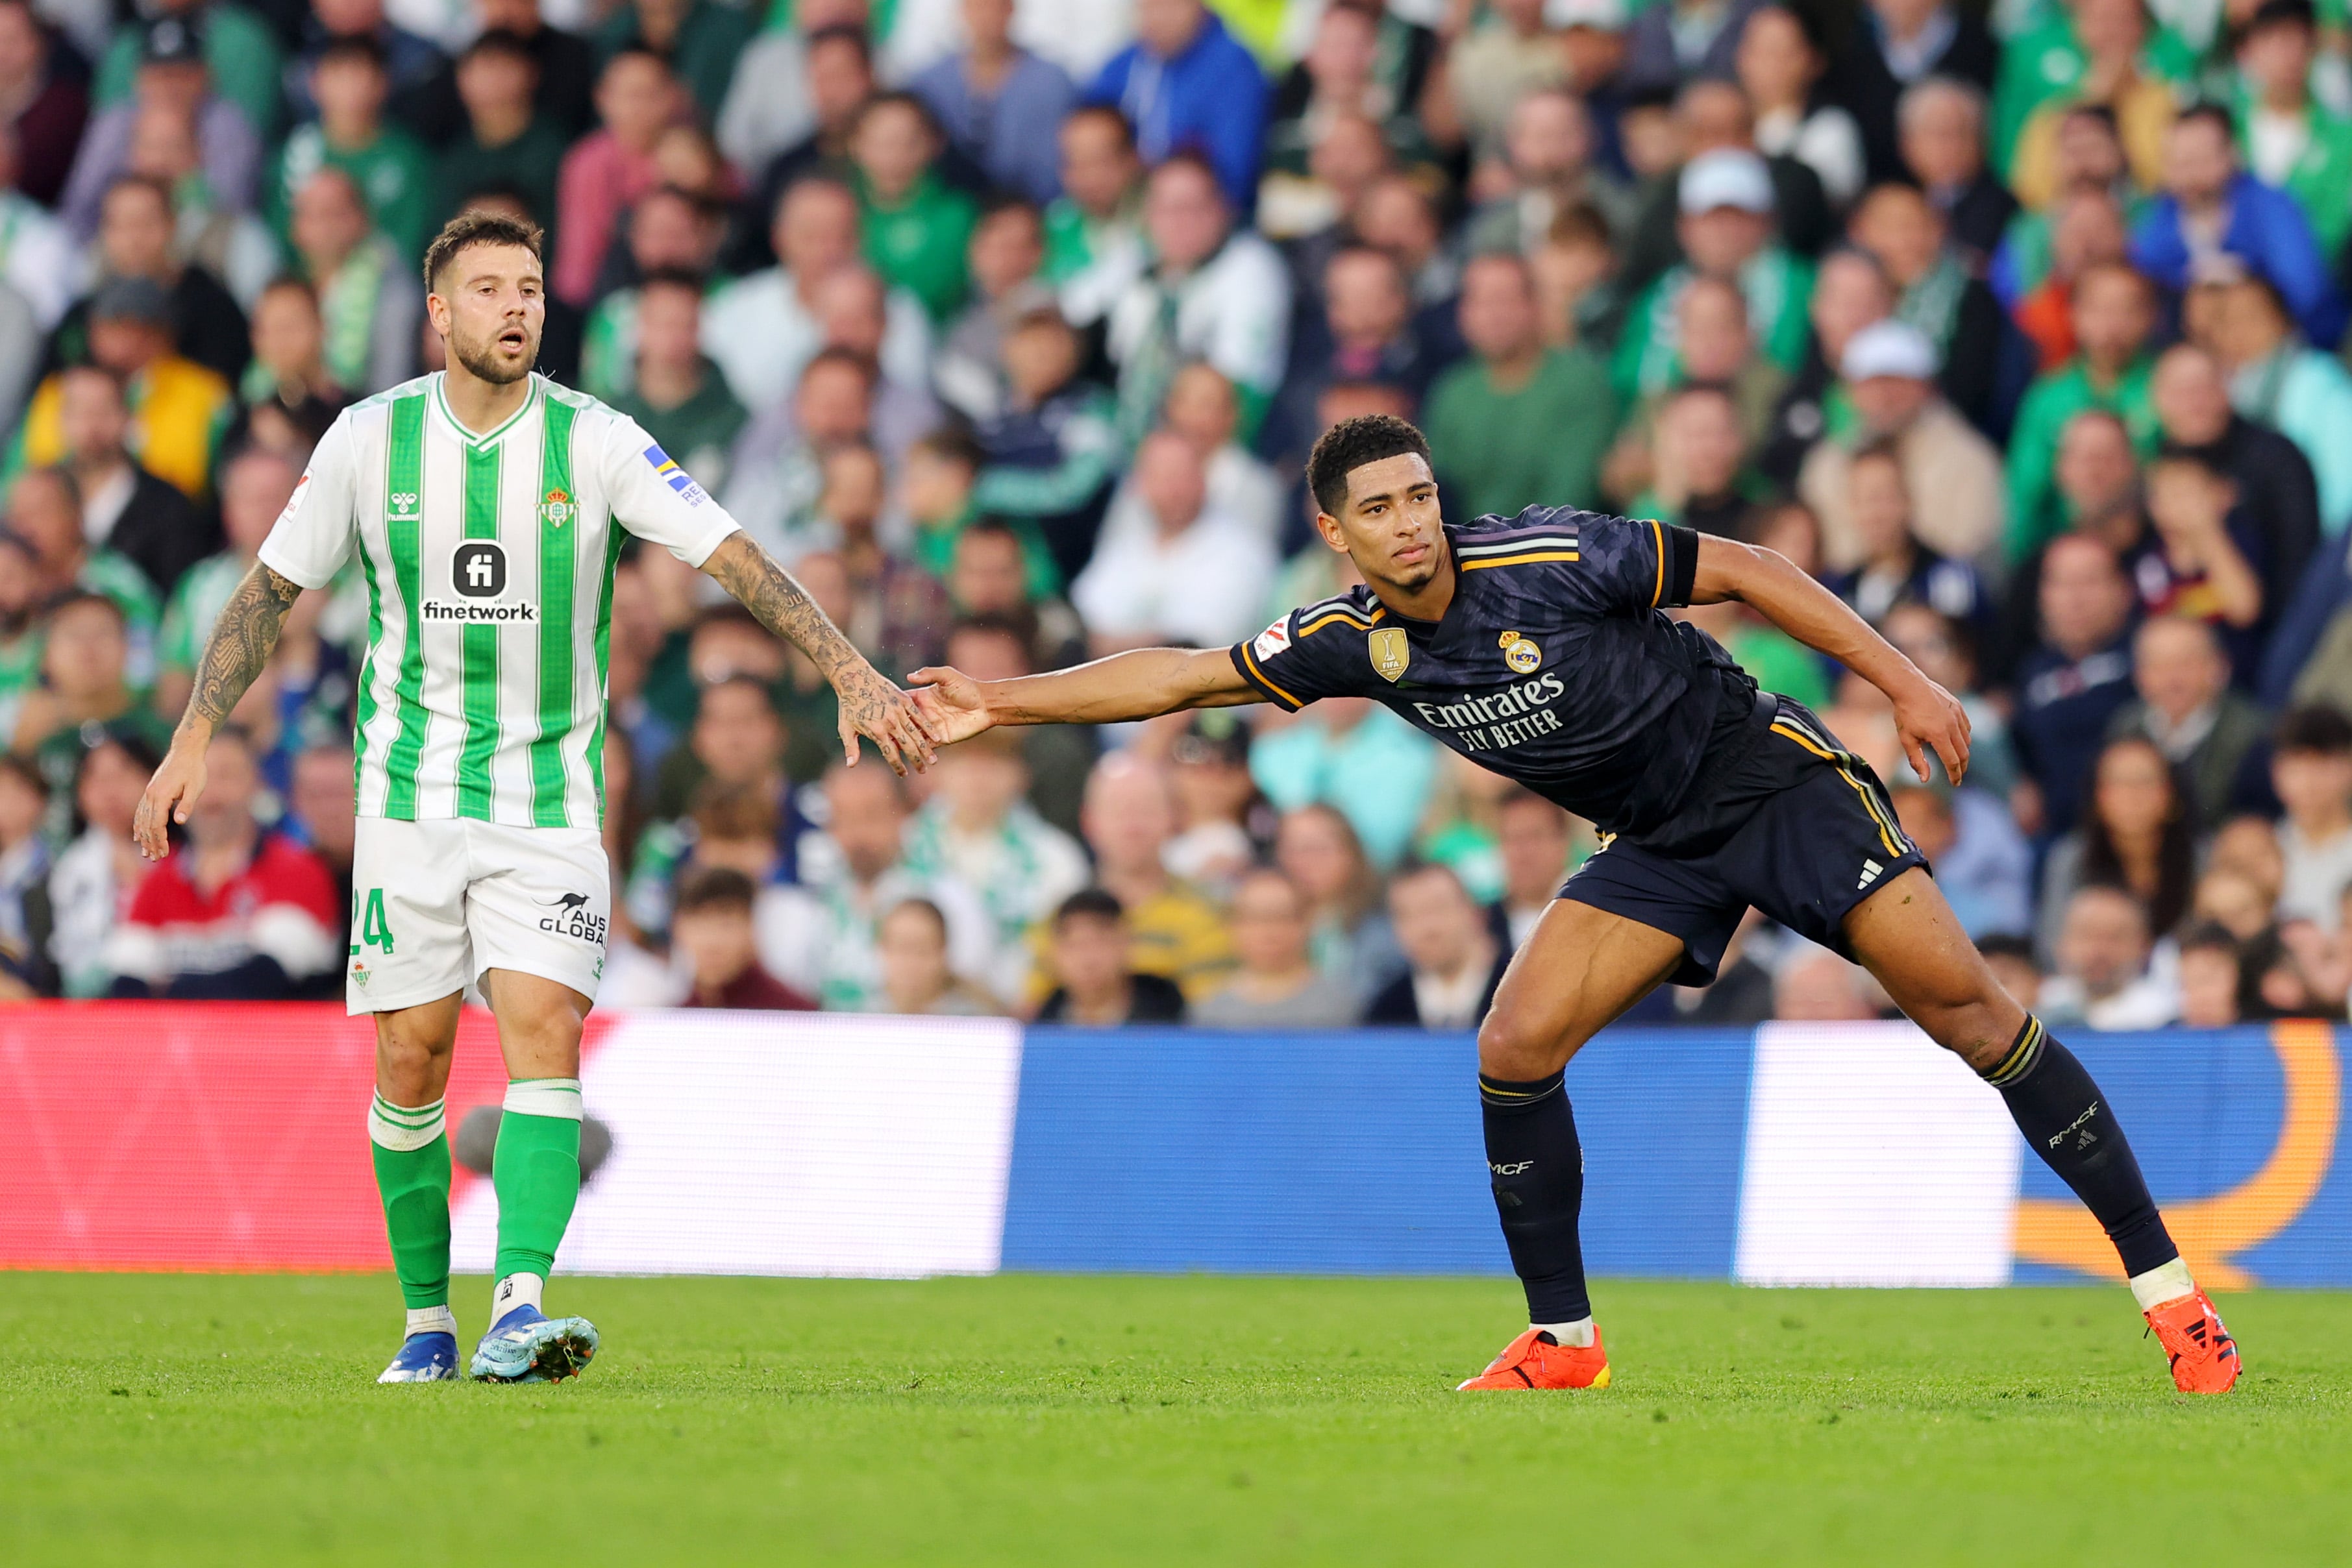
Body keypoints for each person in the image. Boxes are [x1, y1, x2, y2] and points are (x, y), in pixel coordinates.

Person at [908, 411, 2238, 1395]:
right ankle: (1562, 1338)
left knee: (1969, 1012)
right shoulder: (1341, 642)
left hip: (1768, 781)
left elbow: (1751, 566)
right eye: (1377, 508)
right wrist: (1000, 697)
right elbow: (1180, 676)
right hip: (1652, 841)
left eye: (1419, 495)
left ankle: (2172, 1298)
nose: (1409, 521)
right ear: (1335, 531)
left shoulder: (1546, 554)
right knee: (1511, 1045)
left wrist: (1901, 682)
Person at [130, 210, 937, 1388]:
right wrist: (194, 735)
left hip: (550, 798)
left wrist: (850, 670)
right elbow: (269, 591)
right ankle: (423, 1321)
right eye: (492, 288)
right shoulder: (369, 440)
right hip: (406, 798)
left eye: (532, 288)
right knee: (409, 1061)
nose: (518, 307)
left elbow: (733, 555)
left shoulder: (596, 441)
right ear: (439, 314)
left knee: (543, 1036)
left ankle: (519, 1301)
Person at [104, 724, 340, 999]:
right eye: (196, 778)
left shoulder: (298, 870)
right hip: (180, 1040)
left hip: (278, 1040)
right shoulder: (157, 880)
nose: (210, 792)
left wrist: (166, 991)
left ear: (256, 782)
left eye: (226, 776)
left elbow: (263, 984)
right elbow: (126, 988)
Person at [1421, 252, 1615, 521]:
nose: (1492, 315)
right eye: (1479, 301)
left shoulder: (1580, 382)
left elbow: (1571, 495)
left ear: (1535, 306)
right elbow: (1439, 491)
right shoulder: (1451, 391)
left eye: (1504, 300)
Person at [2131, 104, 2339, 347]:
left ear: (2234, 154)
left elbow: (2306, 290)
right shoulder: (2162, 213)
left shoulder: (2269, 205)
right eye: (2178, 163)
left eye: (2201, 160)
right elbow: (2142, 282)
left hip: (2298, 346)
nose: (2190, 175)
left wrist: (2241, 285)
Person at [2105, 615, 2272, 832]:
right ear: (2140, 675)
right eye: (2159, 665)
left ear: (2219, 667)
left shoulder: (2252, 733)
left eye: (2186, 663)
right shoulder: (2125, 728)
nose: (2173, 678)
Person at [1193, 866, 1360, 1028]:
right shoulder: (1209, 1011)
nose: (1268, 932)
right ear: (1233, 925)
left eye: (1281, 917)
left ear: (1307, 922)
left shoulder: (1340, 1006)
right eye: (1255, 918)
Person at [1363, 861, 1507, 1029]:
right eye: (1408, 915)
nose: (1427, 928)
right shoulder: (1385, 1013)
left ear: (1476, 914)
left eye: (1439, 908)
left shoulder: (1521, 995)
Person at [1034, 886, 1188, 1024]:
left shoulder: (1171, 1016)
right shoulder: (1043, 1023)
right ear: (1054, 953)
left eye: (1100, 943)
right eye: (1074, 946)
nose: (1088, 960)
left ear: (1126, 944)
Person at [671, 865, 818, 1011]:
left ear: (751, 928)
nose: (712, 942)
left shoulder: (793, 1016)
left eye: (726, 925)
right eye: (700, 924)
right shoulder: (673, 1021)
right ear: (678, 928)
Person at [2038, 884, 2180, 1030]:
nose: (2099, 951)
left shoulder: (2166, 1019)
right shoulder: (2036, 1008)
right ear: (2061, 944)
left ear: (2144, 947)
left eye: (2115, 938)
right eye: (2087, 936)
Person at [2270, 704, 2352, 930]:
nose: (2308, 784)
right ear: (2276, 773)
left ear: (2348, 769)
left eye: (2321, 768)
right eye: (2296, 769)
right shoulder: (2265, 848)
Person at [873, 895, 998, 1016]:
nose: (911, 963)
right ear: (882, 948)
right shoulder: (861, 1013)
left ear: (943, 951)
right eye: (901, 948)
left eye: (922, 951)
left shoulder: (978, 1020)